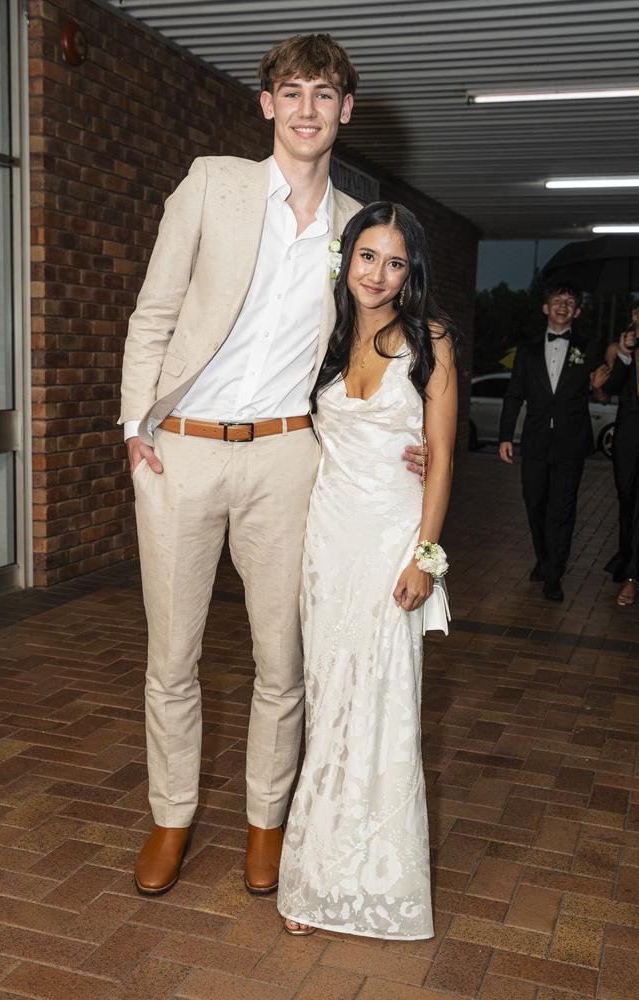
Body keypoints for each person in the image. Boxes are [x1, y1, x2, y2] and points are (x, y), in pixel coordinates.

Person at [118, 35, 427, 899]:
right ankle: (172, 816)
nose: (305, 110)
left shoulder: (355, 227)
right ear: (267, 104)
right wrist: (132, 426)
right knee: (172, 656)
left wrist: (416, 425)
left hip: (291, 458)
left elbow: (384, 339)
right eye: (291, 92)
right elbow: (154, 311)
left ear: (345, 112)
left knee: (280, 660)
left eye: (323, 96)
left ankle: (266, 821)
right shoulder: (210, 183)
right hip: (180, 449)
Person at [277, 202, 457, 939]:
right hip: (328, 545)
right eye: (367, 257)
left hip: (390, 544)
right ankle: (317, 874)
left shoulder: (429, 341)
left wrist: (425, 555)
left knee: (383, 706)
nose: (378, 275)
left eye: (395, 262)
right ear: (345, 260)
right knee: (328, 706)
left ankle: (377, 880)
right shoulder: (324, 337)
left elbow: (441, 455)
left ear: (410, 273)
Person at [498, 283, 608, 602]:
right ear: (545, 308)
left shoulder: (589, 348)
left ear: (577, 311)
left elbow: (603, 388)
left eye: (569, 302)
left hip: (571, 444)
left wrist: (600, 386)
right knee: (535, 504)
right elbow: (514, 394)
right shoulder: (528, 349)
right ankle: (543, 559)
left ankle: (554, 574)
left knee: (561, 510)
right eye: (556, 301)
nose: (562, 306)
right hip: (534, 442)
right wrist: (506, 436)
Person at [601, 309, 639, 606]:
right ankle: (627, 558)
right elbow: (610, 391)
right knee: (627, 501)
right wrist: (625, 355)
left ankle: (631, 577)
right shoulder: (620, 348)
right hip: (628, 434)